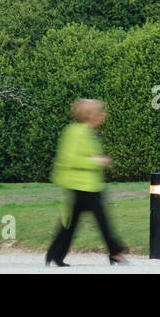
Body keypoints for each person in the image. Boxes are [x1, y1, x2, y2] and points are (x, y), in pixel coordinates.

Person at [45, 99, 127, 267]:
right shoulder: (75, 132)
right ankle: (115, 251)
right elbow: (70, 159)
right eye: (98, 112)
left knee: (70, 223)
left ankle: (55, 253)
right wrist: (95, 160)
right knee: (101, 220)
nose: (102, 115)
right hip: (80, 186)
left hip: (90, 185)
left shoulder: (88, 131)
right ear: (89, 114)